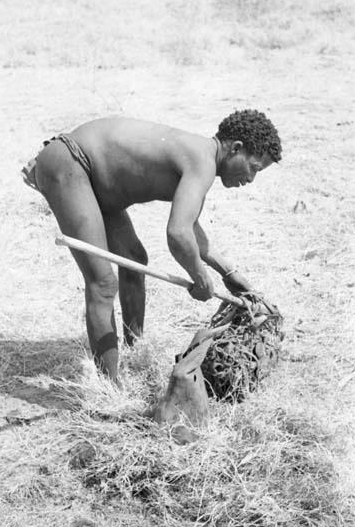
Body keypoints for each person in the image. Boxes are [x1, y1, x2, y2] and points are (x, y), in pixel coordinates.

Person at [22, 109, 282, 383]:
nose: (251, 180)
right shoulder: (202, 163)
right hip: (72, 163)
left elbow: (191, 228)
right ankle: (109, 389)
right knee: (103, 284)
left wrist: (229, 274)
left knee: (135, 259)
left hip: (97, 181)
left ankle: (135, 352)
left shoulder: (203, 159)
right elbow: (178, 234)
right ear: (236, 148)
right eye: (254, 168)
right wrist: (199, 277)